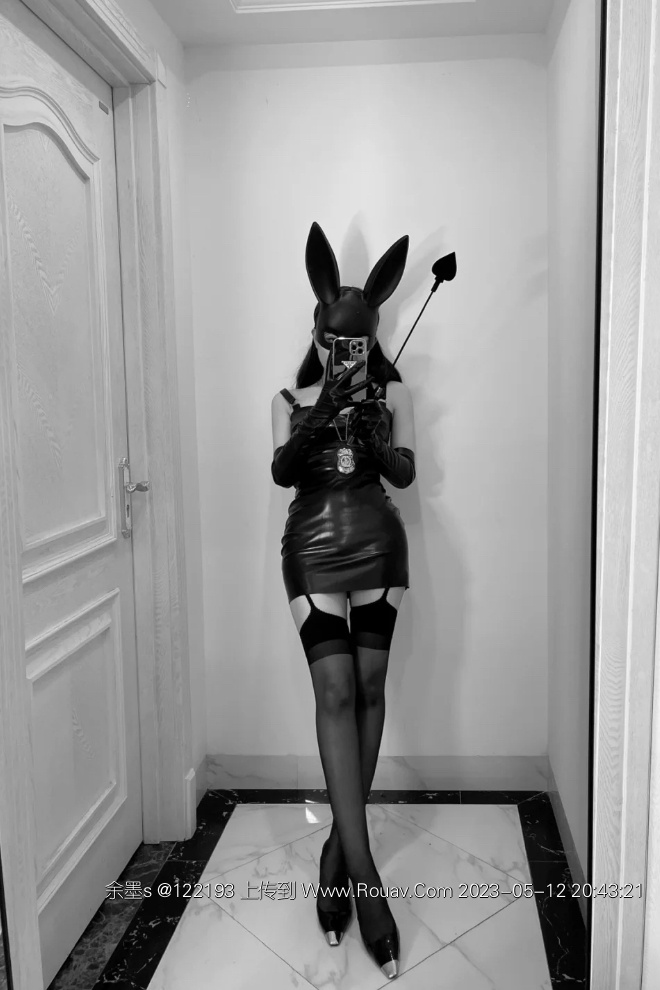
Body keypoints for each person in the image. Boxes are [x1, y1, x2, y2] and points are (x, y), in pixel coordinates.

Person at [270, 222, 416, 980]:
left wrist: (371, 425)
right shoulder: (288, 397)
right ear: (319, 334)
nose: (344, 352)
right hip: (313, 550)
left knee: (369, 688)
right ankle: (365, 883)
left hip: (379, 547)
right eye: (334, 341)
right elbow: (282, 471)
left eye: (355, 343)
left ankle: (335, 852)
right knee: (333, 692)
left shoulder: (395, 393)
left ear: (370, 341)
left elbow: (405, 474)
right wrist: (327, 405)